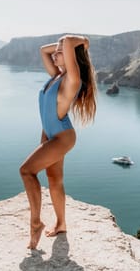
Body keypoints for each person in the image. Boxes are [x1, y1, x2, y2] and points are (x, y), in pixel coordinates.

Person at [19, 34, 97, 249]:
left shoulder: (72, 80)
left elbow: (71, 43)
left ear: (72, 55)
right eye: (58, 50)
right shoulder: (56, 76)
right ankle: (61, 224)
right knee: (54, 179)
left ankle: (35, 224)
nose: (55, 54)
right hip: (49, 134)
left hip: (62, 137)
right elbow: (43, 49)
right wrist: (66, 45)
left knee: (26, 171)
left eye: (61, 51)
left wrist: (80, 42)